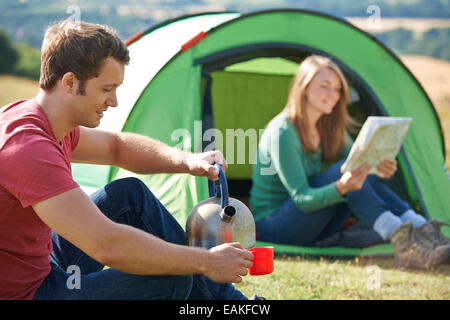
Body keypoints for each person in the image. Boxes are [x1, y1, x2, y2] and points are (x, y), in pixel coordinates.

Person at [0, 20, 258, 300]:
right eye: (106, 89)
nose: (114, 102)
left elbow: (116, 148)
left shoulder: (45, 121)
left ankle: (229, 302)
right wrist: (206, 262)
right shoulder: (27, 147)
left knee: (130, 196)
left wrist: (186, 160)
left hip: (44, 264)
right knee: (172, 279)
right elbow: (105, 244)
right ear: (70, 83)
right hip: (28, 293)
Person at [250, 55, 450, 269]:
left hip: (312, 225)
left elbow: (359, 158)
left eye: (337, 89)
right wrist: (341, 187)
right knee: (343, 172)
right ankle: (405, 243)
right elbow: (301, 198)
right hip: (275, 226)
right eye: (325, 86)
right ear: (304, 88)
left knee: (355, 169)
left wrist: (377, 166)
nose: (332, 94)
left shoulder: (328, 123)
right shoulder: (283, 132)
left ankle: (424, 231)